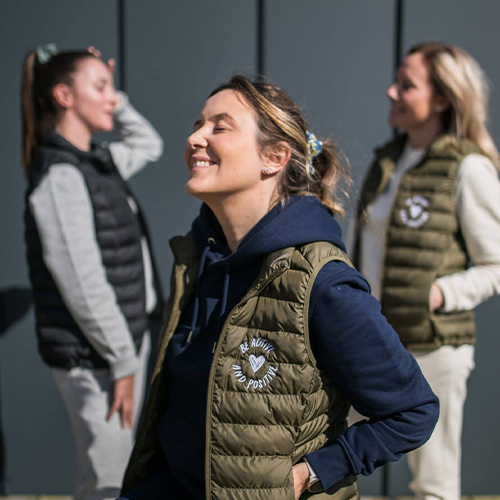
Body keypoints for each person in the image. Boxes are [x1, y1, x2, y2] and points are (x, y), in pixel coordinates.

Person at [118, 75, 438, 500]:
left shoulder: (322, 281)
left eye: (219, 126)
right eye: (197, 124)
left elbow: (413, 410)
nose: (195, 138)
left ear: (274, 157)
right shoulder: (197, 260)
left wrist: (311, 473)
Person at [349, 42, 500, 500]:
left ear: (441, 99)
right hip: (370, 341)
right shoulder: (385, 162)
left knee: (433, 483)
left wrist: (438, 294)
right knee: (327, 449)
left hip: (432, 346)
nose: (391, 92)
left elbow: (495, 266)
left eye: (407, 85)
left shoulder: (467, 168)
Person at [22, 44, 164, 500]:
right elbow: (82, 285)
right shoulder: (61, 178)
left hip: (123, 346)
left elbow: (149, 144)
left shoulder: (97, 161)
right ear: (64, 96)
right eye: (100, 87)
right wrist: (122, 362)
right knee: (107, 481)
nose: (111, 97)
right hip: (98, 357)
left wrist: (115, 101)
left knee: (120, 472)